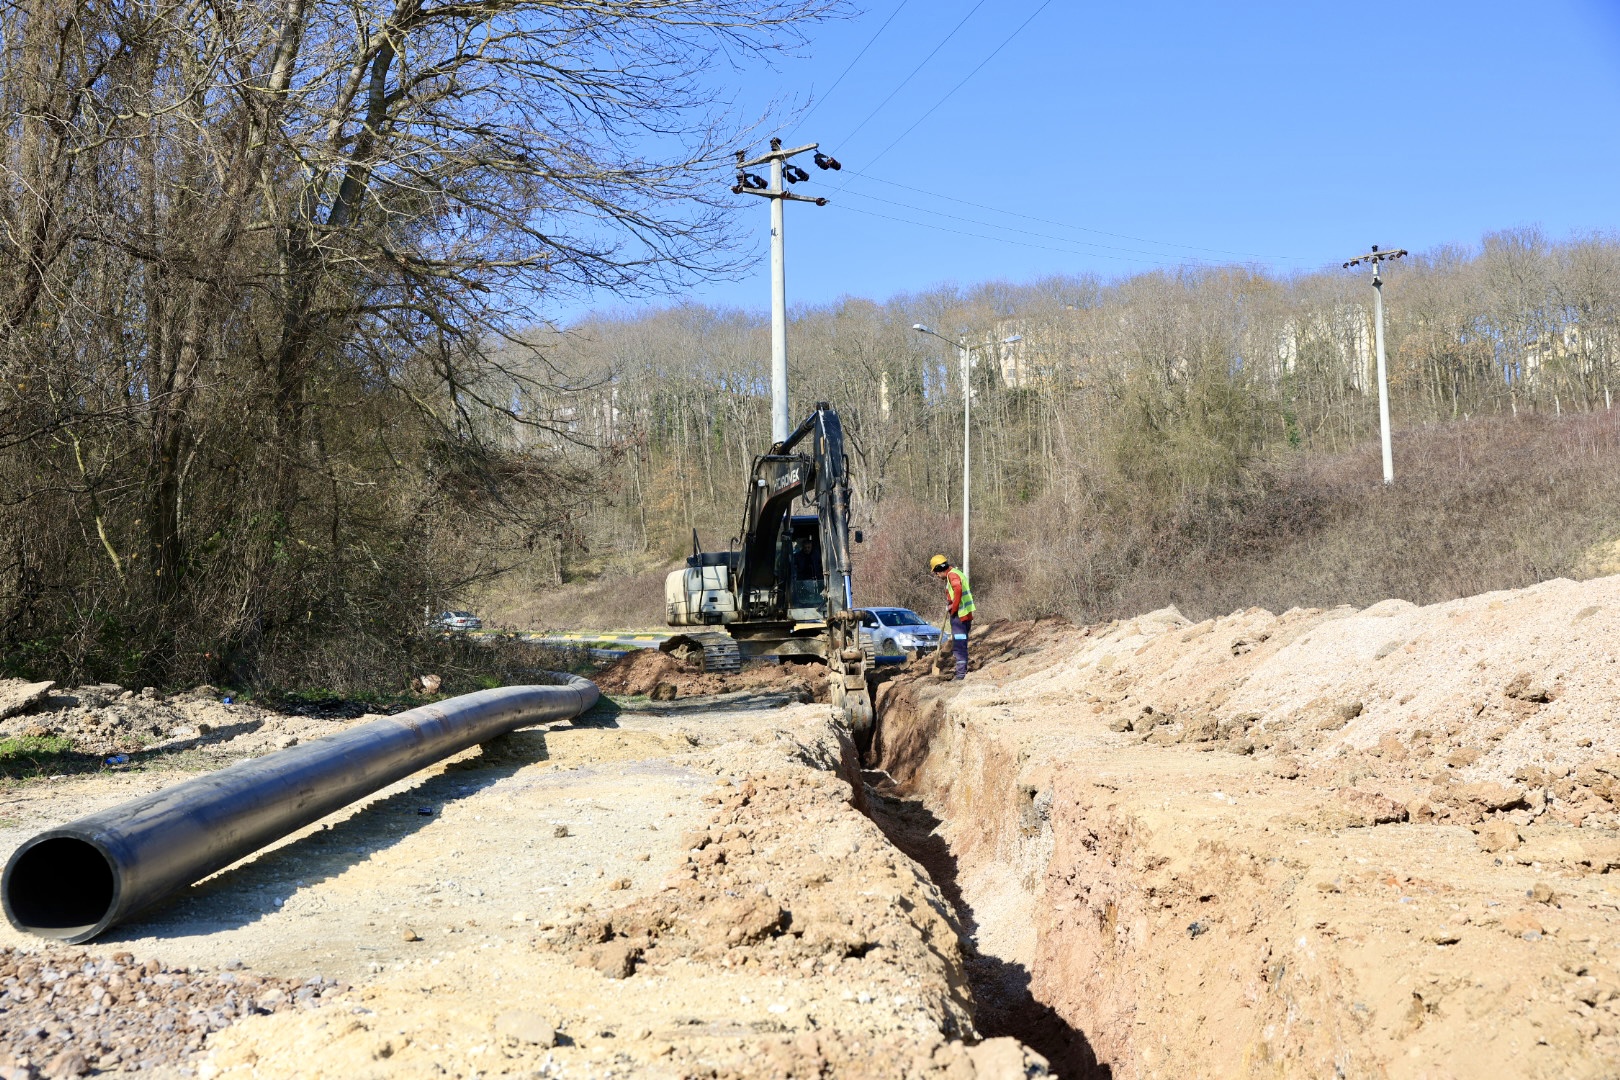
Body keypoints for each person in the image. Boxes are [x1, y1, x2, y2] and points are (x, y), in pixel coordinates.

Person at [928, 554, 974, 680]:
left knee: (959, 646)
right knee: (961, 644)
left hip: (960, 617)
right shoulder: (955, 572)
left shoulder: (952, 575)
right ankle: (962, 671)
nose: (937, 576)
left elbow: (958, 589)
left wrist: (953, 608)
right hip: (965, 615)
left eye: (936, 573)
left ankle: (960, 675)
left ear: (939, 569)